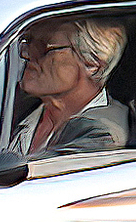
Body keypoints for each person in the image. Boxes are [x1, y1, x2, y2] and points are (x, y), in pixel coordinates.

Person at [9, 15, 129, 158]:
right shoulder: (19, 107)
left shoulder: (101, 134)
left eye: (43, 47)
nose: (26, 54)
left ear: (93, 65)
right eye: (28, 42)